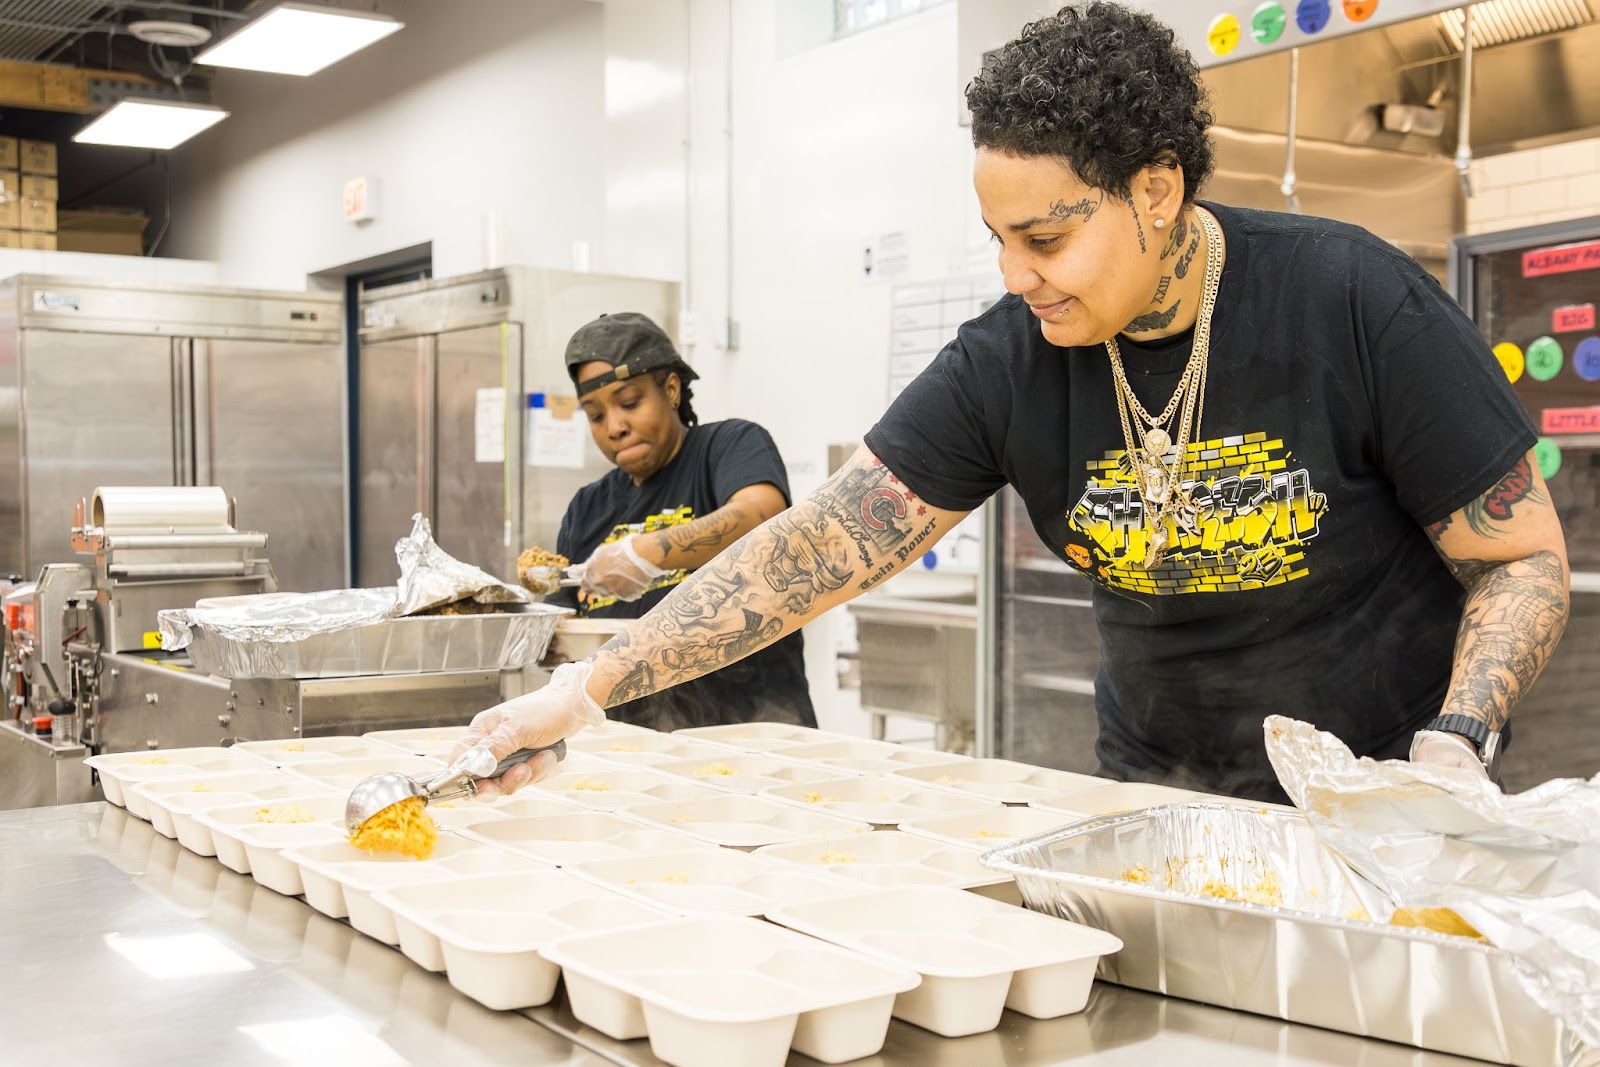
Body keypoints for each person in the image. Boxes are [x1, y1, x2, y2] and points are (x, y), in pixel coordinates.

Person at [458, 3, 1569, 803]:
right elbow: (820, 544)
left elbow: (1517, 556)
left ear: (1158, 189)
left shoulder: (1350, 296)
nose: (1015, 274)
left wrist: (1456, 740)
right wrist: (591, 688)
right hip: (1155, 790)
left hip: (1385, 793)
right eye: (998, 238)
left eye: (1045, 237)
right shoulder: (1012, 358)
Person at [540, 311, 816, 732]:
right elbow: (560, 619)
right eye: (595, 415)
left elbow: (762, 515)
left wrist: (646, 553)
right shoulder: (587, 508)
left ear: (670, 390)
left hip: (754, 728)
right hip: (629, 743)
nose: (615, 426)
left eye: (630, 403)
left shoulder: (727, 448)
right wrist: (551, 642)